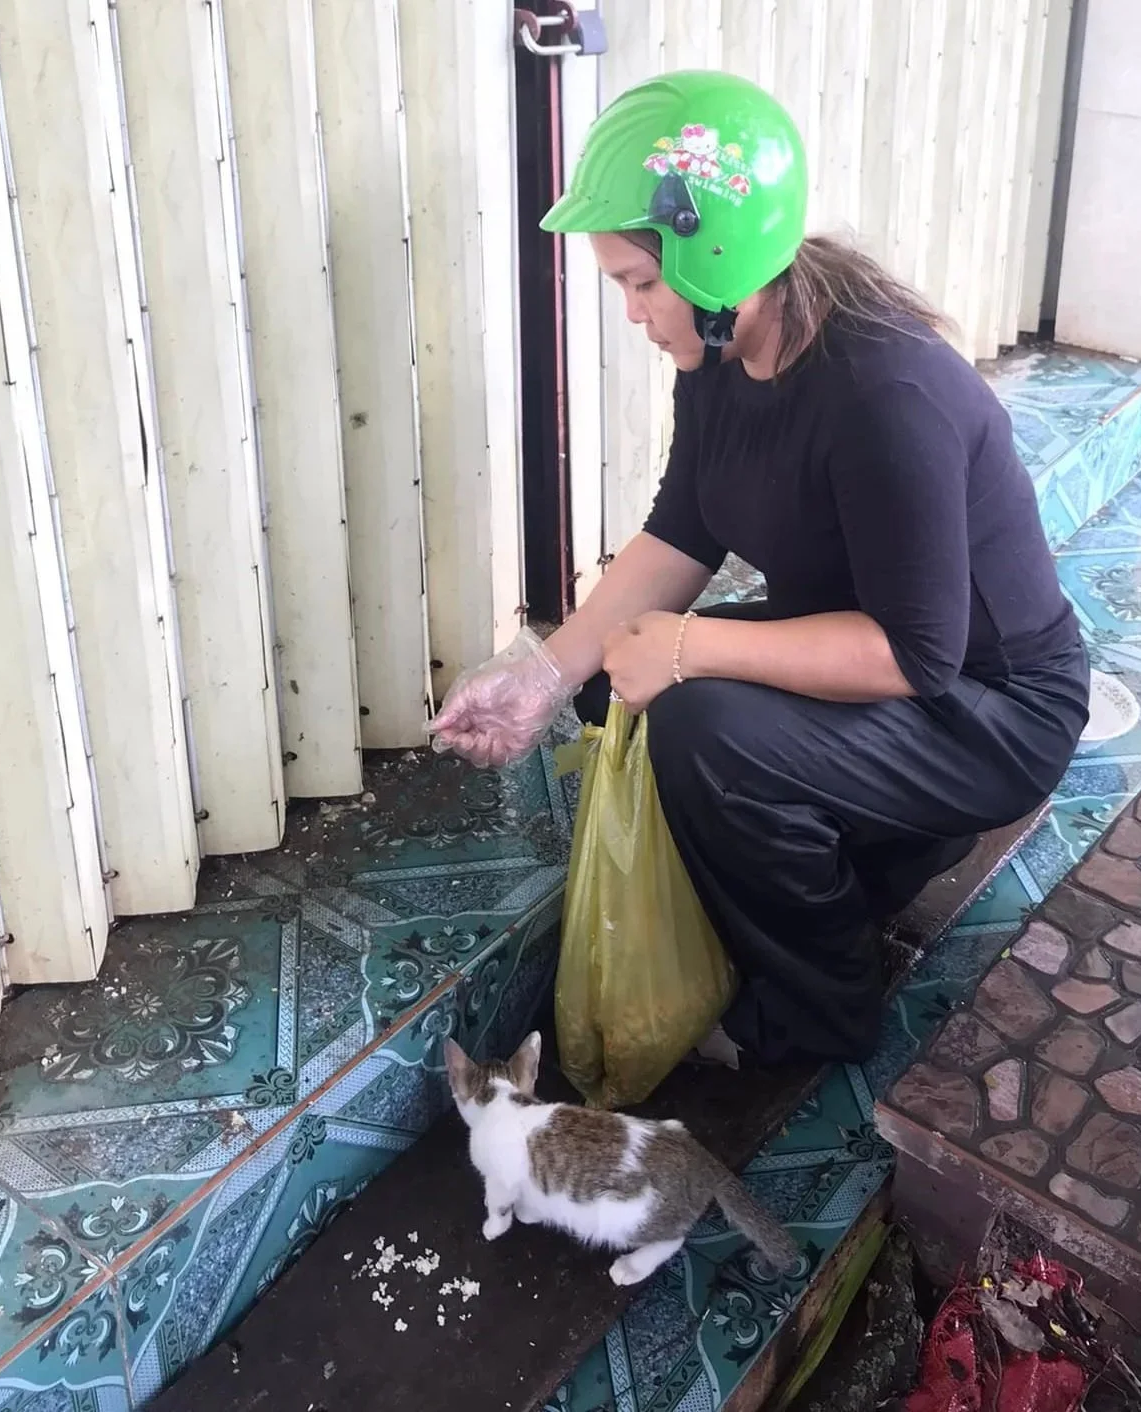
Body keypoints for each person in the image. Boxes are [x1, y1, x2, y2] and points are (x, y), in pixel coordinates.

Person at [429, 70, 1089, 1066]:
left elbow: (916, 653)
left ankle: (821, 1010)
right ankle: (887, 847)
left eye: (638, 283)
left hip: (991, 707)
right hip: (886, 659)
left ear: (716, 261)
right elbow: (682, 528)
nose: (631, 312)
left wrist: (691, 645)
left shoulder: (885, 394)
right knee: (620, 680)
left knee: (699, 719)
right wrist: (544, 674)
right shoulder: (725, 354)